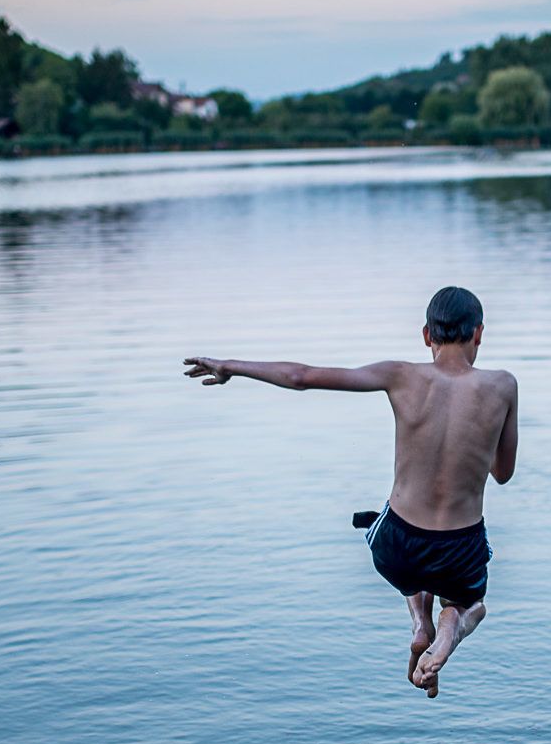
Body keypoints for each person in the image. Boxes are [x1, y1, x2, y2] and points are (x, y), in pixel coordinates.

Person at [184, 286, 517, 697]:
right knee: (472, 604)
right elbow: (503, 473)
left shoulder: (400, 375)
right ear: (479, 333)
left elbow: (301, 377)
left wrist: (230, 366)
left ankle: (419, 621)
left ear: (426, 335)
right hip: (458, 550)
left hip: (399, 546)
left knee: (399, 543)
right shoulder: (503, 386)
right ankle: (451, 627)